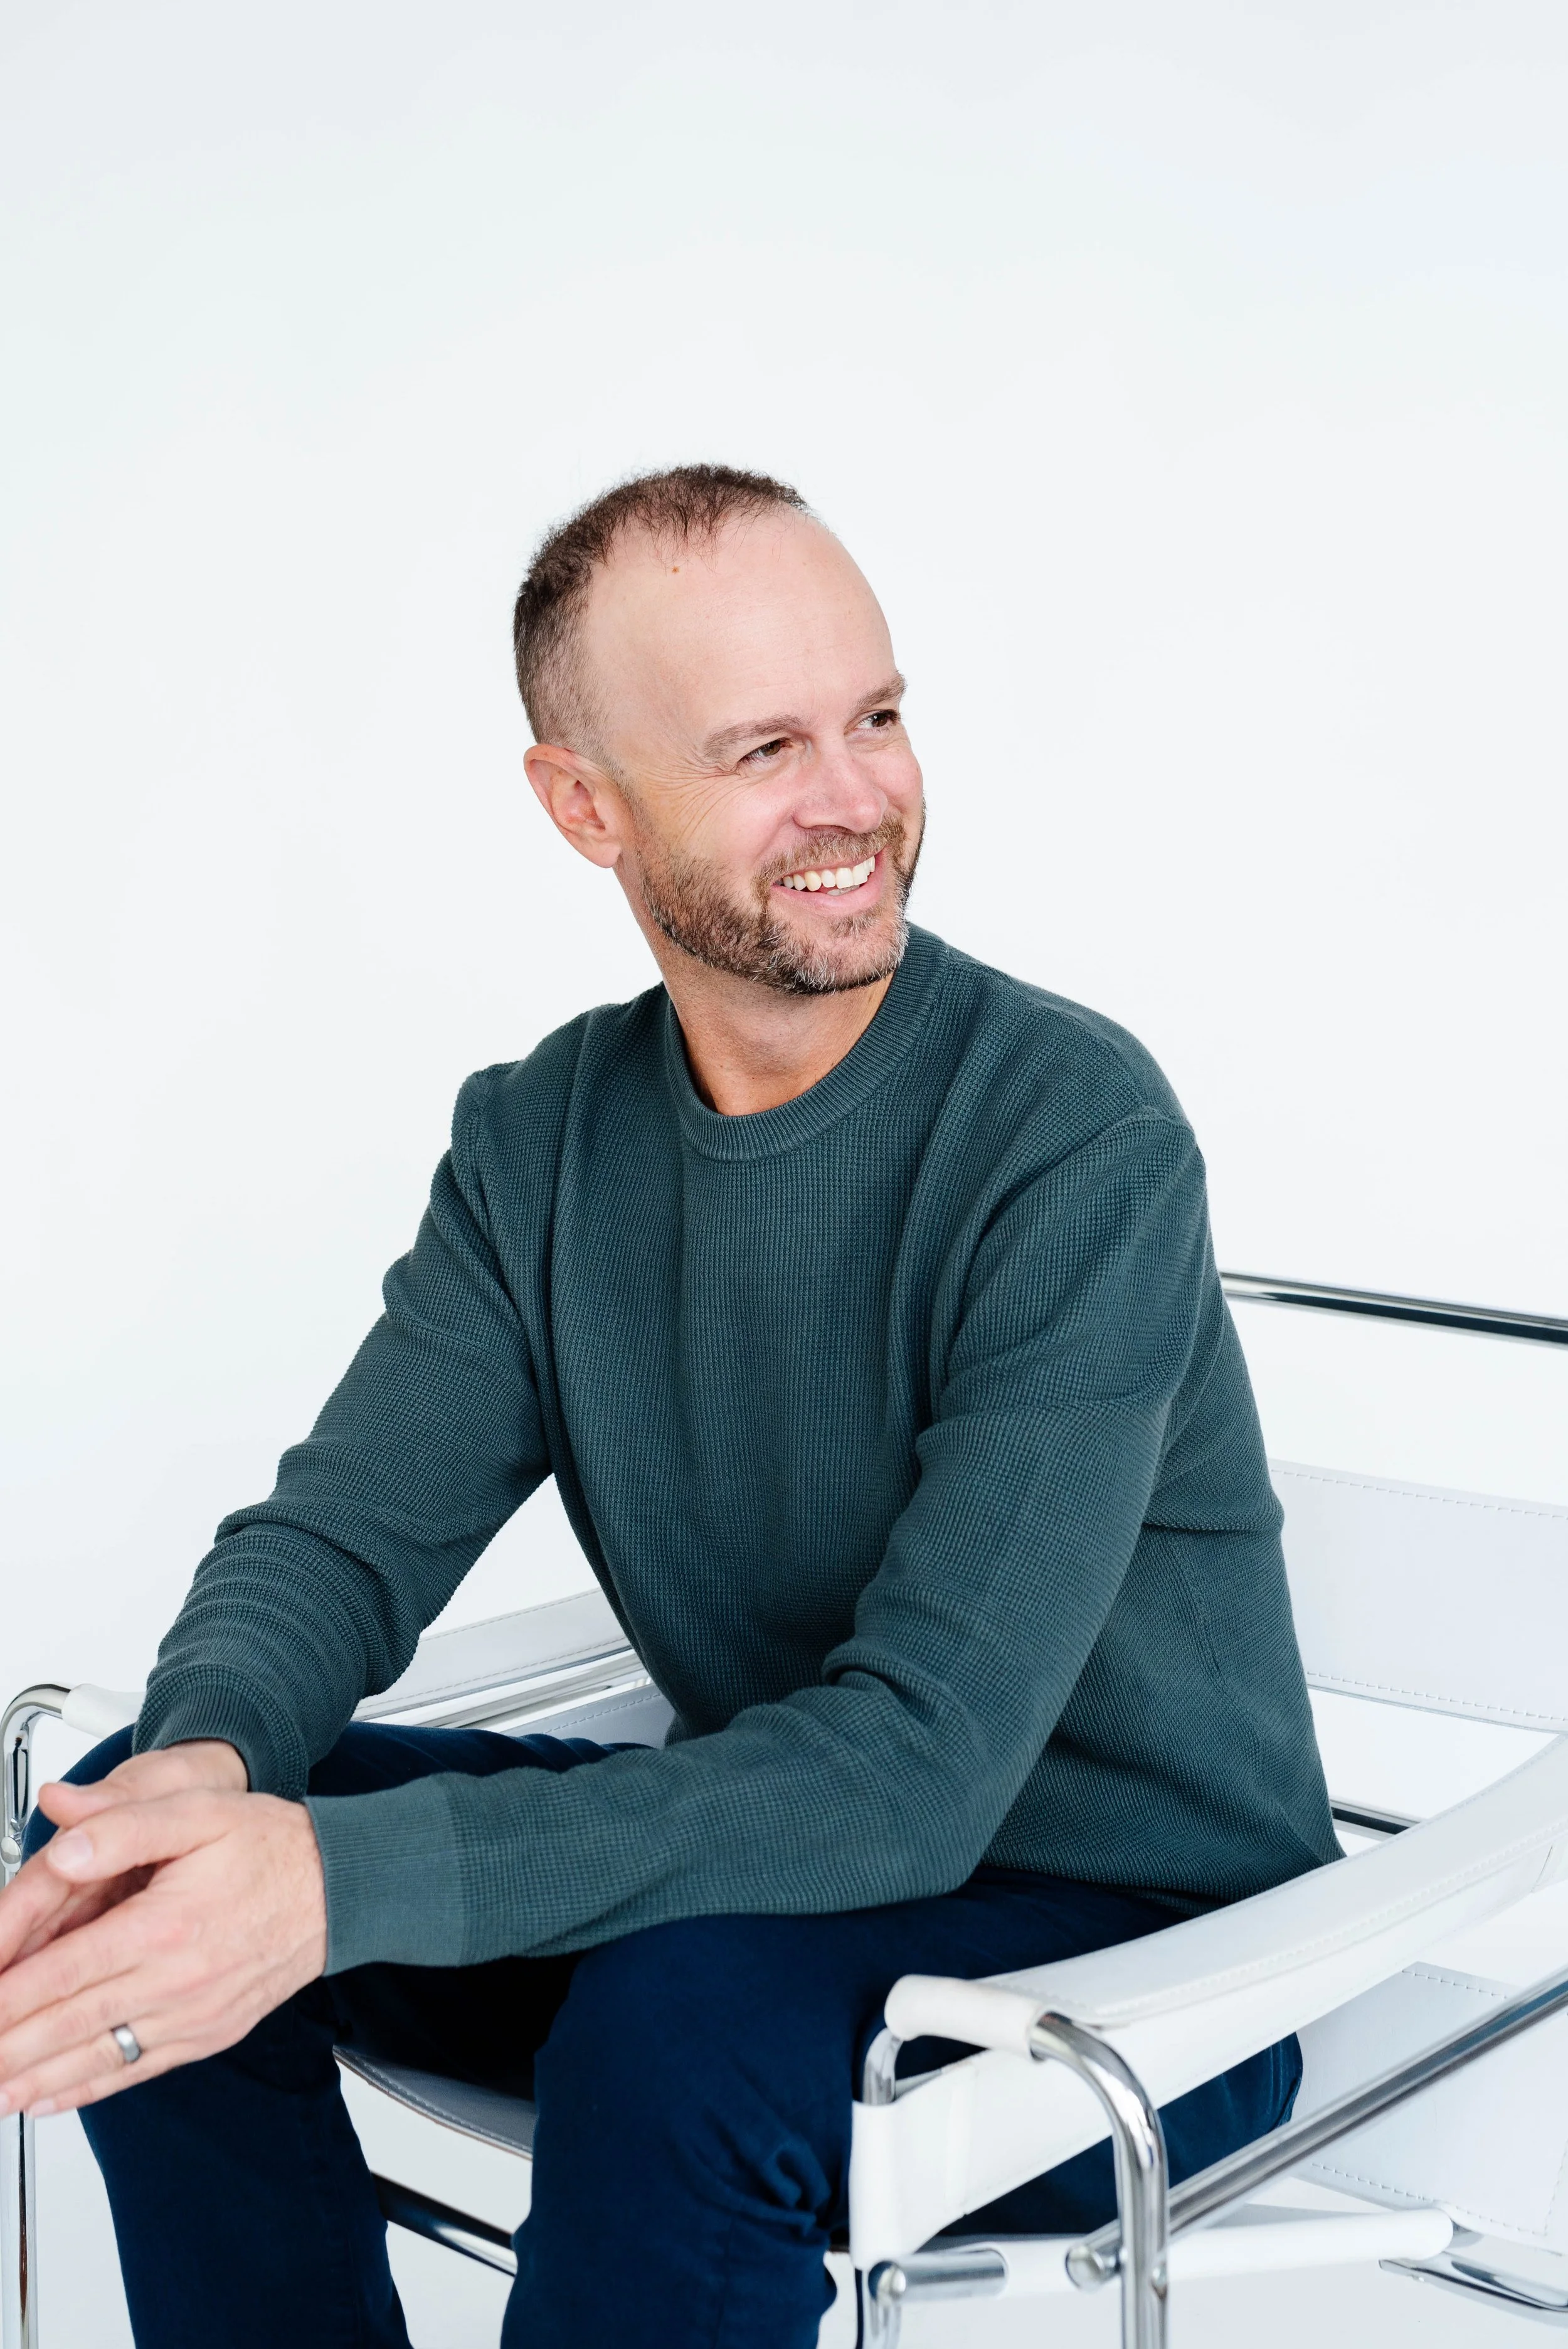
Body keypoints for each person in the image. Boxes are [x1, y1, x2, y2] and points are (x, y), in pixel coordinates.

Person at [0, 465, 1338, 2348]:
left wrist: (342, 1881)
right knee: (146, 1862)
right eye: (763, 747)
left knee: (675, 2031)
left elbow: (917, 1766)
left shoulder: (1068, 1131)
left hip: (1146, 1949)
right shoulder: (541, 1144)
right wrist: (212, 1772)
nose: (856, 795)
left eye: (875, 716)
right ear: (584, 806)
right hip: (774, 1886)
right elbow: (342, 1538)